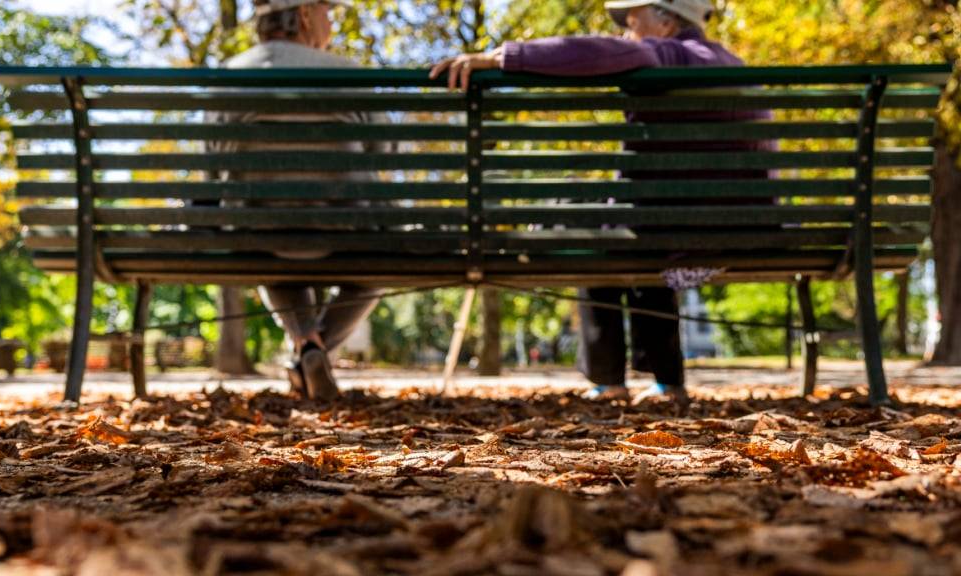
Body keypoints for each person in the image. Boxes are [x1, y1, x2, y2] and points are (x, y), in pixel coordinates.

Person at [431, 0, 769, 404]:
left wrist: (503, 57)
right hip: (741, 238)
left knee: (596, 230)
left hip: (676, 241)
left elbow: (604, 51)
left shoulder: (673, 54)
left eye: (632, 21)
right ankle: (666, 381)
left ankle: (608, 379)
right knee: (634, 226)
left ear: (665, 21)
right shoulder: (737, 65)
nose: (627, 32)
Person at [212, 0, 385, 401]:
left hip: (259, 232)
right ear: (304, 15)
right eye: (328, 13)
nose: (331, 24)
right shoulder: (348, 74)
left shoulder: (228, 76)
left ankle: (307, 346)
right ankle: (313, 350)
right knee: (376, 273)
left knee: (270, 256)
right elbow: (383, 154)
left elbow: (213, 162)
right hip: (346, 232)